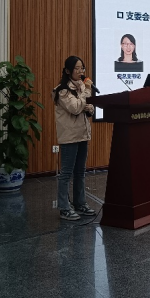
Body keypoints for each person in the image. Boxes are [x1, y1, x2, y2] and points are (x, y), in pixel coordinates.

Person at [52, 56, 97, 221]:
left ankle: (80, 203)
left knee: (80, 171)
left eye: (82, 68)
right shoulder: (62, 90)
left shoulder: (81, 88)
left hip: (82, 135)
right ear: (68, 71)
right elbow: (76, 107)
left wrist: (90, 108)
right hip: (70, 137)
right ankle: (64, 207)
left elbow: (84, 108)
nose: (80, 71)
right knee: (66, 173)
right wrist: (86, 92)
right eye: (77, 68)